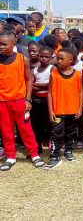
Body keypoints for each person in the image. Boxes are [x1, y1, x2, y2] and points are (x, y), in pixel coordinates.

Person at [0, 31, 44, 171]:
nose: (1, 46)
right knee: (6, 130)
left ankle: (34, 154)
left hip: (19, 100)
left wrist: (28, 99)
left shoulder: (22, 59)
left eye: (4, 44)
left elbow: (29, 79)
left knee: (26, 129)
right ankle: (11, 156)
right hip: (2, 102)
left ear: (13, 44)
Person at [45, 47, 83, 169]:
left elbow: (81, 92)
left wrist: (79, 108)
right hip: (58, 111)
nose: (59, 61)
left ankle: (68, 150)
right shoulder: (54, 73)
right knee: (56, 133)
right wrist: (51, 110)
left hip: (72, 110)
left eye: (62, 59)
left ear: (71, 60)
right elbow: (50, 92)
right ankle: (54, 156)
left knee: (71, 132)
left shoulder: (78, 74)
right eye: (58, 58)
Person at [30, 46, 53, 154]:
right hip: (37, 100)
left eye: (46, 57)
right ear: (38, 56)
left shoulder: (53, 69)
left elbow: (53, 85)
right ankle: (37, 145)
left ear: (51, 58)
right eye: (41, 56)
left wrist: (38, 85)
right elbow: (30, 86)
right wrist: (44, 86)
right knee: (36, 124)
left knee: (49, 123)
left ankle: (49, 142)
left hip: (49, 100)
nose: (44, 59)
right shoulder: (34, 70)